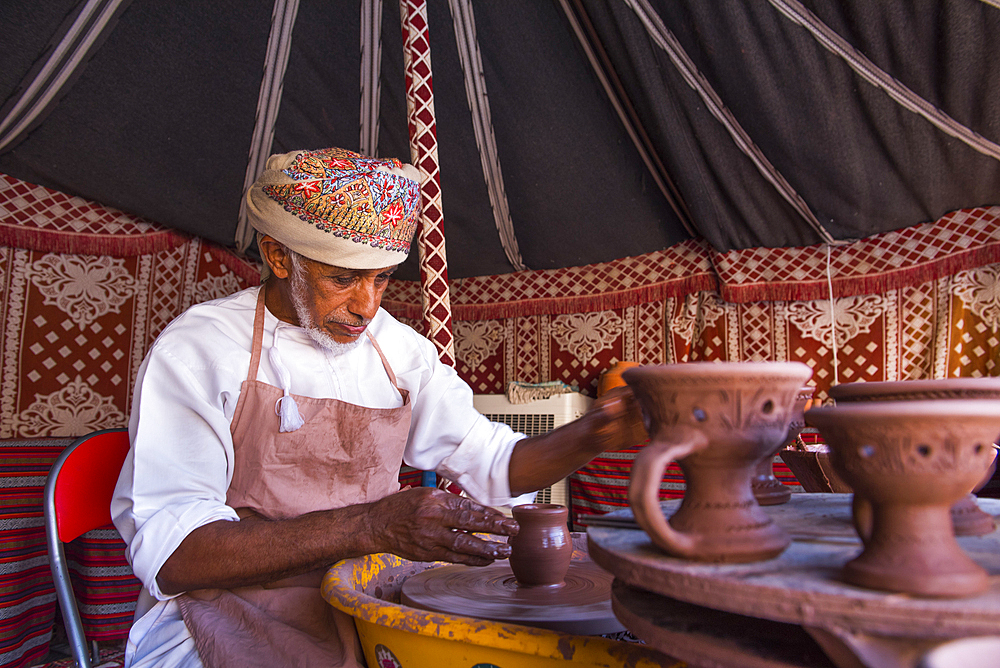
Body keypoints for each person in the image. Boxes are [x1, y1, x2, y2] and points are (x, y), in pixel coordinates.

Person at [111, 147, 646, 668]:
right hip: (231, 615)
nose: (367, 306)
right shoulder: (200, 351)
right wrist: (367, 525)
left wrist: (594, 434)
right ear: (278, 257)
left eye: (382, 278)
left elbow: (494, 462)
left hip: (369, 601)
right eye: (343, 279)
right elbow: (177, 555)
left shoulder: (399, 351)